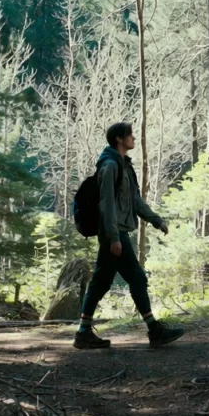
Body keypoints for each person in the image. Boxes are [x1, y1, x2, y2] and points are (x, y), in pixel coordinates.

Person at [73, 122, 185, 349]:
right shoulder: (110, 166)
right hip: (112, 233)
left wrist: (156, 219)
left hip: (117, 231)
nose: (133, 138)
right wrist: (114, 237)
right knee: (135, 277)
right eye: (129, 135)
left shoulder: (124, 166)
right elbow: (106, 205)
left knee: (102, 281)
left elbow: (134, 201)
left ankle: (84, 332)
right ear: (119, 139)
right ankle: (154, 330)